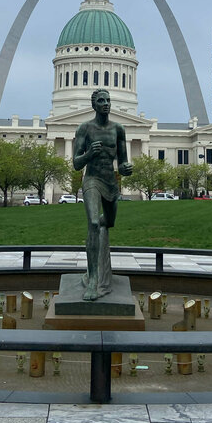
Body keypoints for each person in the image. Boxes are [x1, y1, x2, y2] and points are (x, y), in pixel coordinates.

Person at [73, 89, 133, 299]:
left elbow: (123, 159)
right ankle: (93, 281)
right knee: (93, 224)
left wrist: (125, 168)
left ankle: (98, 266)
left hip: (110, 182)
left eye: (108, 100)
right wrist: (89, 154)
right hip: (92, 180)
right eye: (101, 100)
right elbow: (75, 163)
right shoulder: (85, 128)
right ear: (94, 105)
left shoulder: (119, 129)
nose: (106, 103)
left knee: (108, 222)